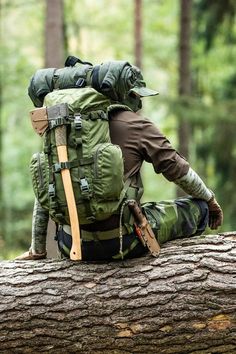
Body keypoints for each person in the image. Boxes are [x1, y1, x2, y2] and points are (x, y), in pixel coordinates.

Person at [16, 66, 223, 261]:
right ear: (122, 93)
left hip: (71, 244)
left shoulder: (61, 128)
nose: (139, 103)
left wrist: (37, 249)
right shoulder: (136, 124)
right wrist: (210, 201)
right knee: (200, 208)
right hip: (124, 243)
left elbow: (47, 188)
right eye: (135, 95)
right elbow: (180, 172)